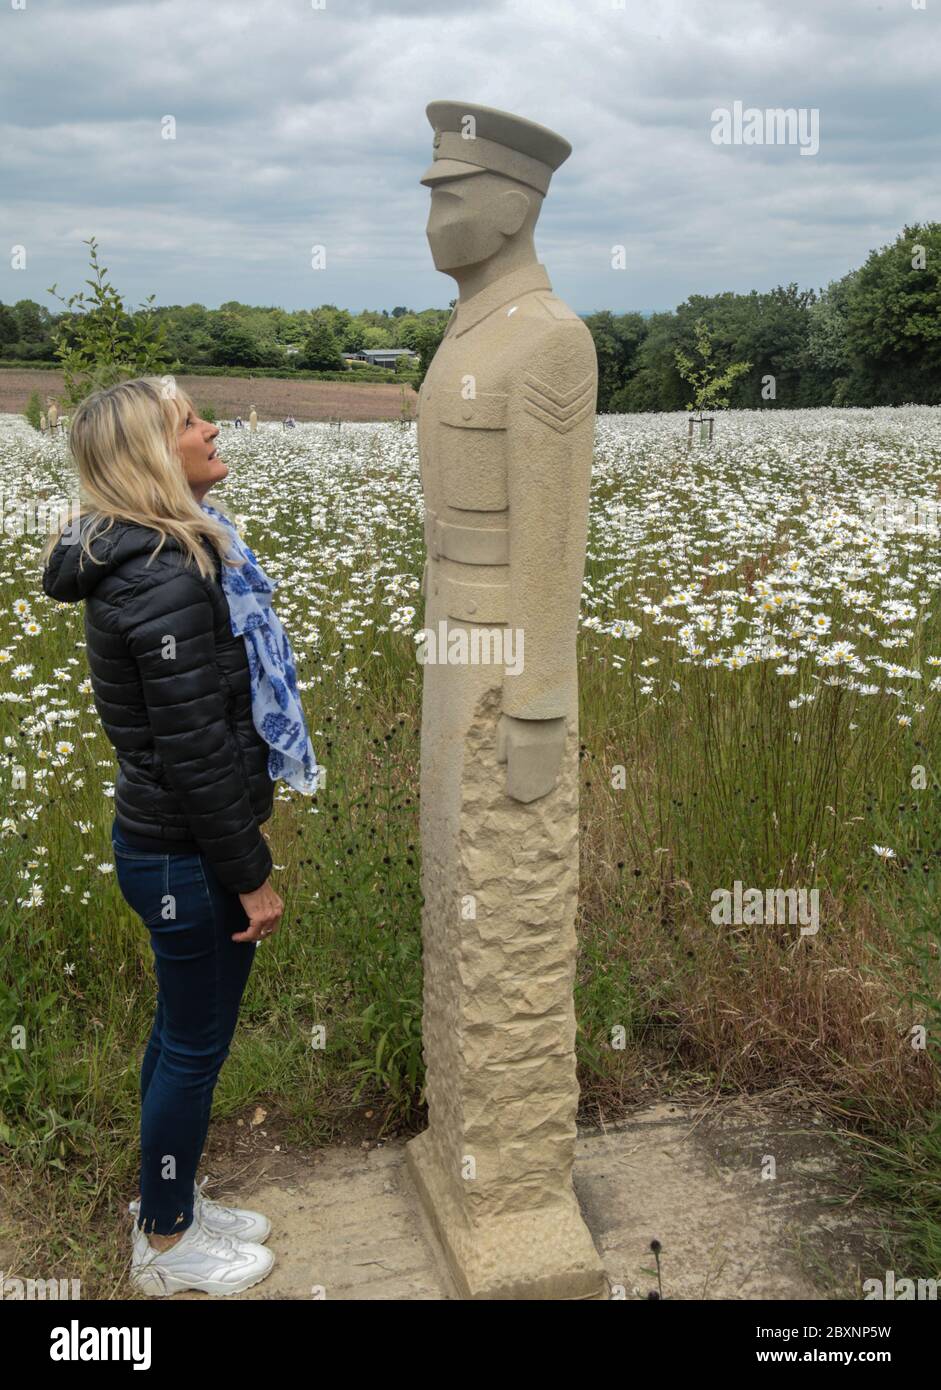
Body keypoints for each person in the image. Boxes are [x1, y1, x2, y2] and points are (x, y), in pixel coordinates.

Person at [41, 377, 319, 1297]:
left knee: (178, 1033)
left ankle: (172, 1197)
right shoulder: (166, 574)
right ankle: (164, 1245)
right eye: (191, 422)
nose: (210, 430)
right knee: (195, 1046)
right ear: (157, 457)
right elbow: (196, 754)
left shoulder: (158, 555)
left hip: (164, 844)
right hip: (187, 854)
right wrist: (252, 877)